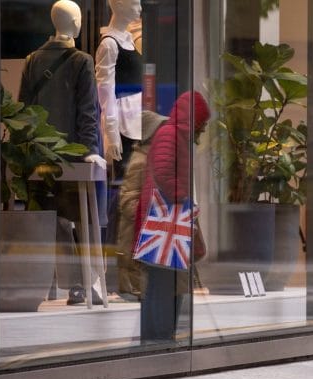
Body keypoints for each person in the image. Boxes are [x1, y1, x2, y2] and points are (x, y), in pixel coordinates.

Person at [18, 0, 107, 305]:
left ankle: (69, 284)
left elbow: (23, 111)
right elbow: (87, 113)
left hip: (40, 156)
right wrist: (90, 150)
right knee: (83, 220)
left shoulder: (32, 60)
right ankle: (85, 284)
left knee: (53, 222)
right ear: (76, 23)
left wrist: (25, 151)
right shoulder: (81, 61)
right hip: (72, 155)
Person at [135, 91, 210, 342]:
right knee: (161, 279)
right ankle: (157, 335)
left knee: (166, 279)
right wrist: (183, 197)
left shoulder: (175, 134)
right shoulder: (171, 134)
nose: (202, 131)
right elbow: (166, 173)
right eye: (202, 124)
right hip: (165, 218)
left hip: (168, 217)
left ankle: (161, 332)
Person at [116, 110, 168, 301]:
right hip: (135, 225)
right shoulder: (141, 160)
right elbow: (128, 196)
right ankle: (134, 290)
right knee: (133, 259)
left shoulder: (152, 158)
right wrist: (145, 212)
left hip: (144, 222)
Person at [95, 0, 143, 179]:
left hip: (137, 120)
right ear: (120, 5)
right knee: (126, 181)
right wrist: (112, 132)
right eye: (135, 4)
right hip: (125, 123)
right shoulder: (109, 44)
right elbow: (105, 91)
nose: (140, 9)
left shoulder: (128, 39)